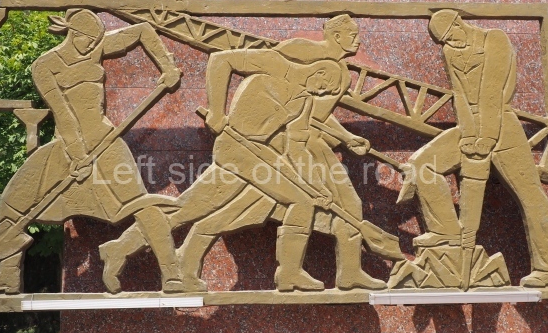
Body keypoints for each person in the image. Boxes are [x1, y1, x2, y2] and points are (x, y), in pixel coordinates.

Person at [0, 8, 184, 294]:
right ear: (73, 33)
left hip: (105, 141)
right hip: (66, 145)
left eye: (97, 41)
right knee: (13, 199)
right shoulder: (46, 66)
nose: (92, 47)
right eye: (88, 40)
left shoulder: (95, 48)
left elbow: (143, 31)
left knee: (140, 203)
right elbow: (63, 113)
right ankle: (8, 276)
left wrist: (167, 68)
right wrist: (77, 154)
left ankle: (172, 275)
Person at [170, 45, 402, 292]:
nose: (322, 93)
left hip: (264, 155)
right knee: (198, 209)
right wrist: (217, 111)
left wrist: (316, 186)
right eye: (324, 88)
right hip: (238, 148)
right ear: (320, 72)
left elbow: (297, 148)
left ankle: (186, 258)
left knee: (226, 211)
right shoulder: (274, 64)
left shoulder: (304, 102)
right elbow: (220, 59)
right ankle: (289, 273)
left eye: (327, 93)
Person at [398, 9, 548, 288]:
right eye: (445, 42)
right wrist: (468, 134)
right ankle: (447, 232)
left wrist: (486, 136)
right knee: (423, 165)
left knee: (531, 195)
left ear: (458, 23)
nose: (450, 44)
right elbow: (460, 96)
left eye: (451, 37)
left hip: (502, 124)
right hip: (471, 127)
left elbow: (492, 90)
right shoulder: (450, 51)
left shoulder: (493, 40)